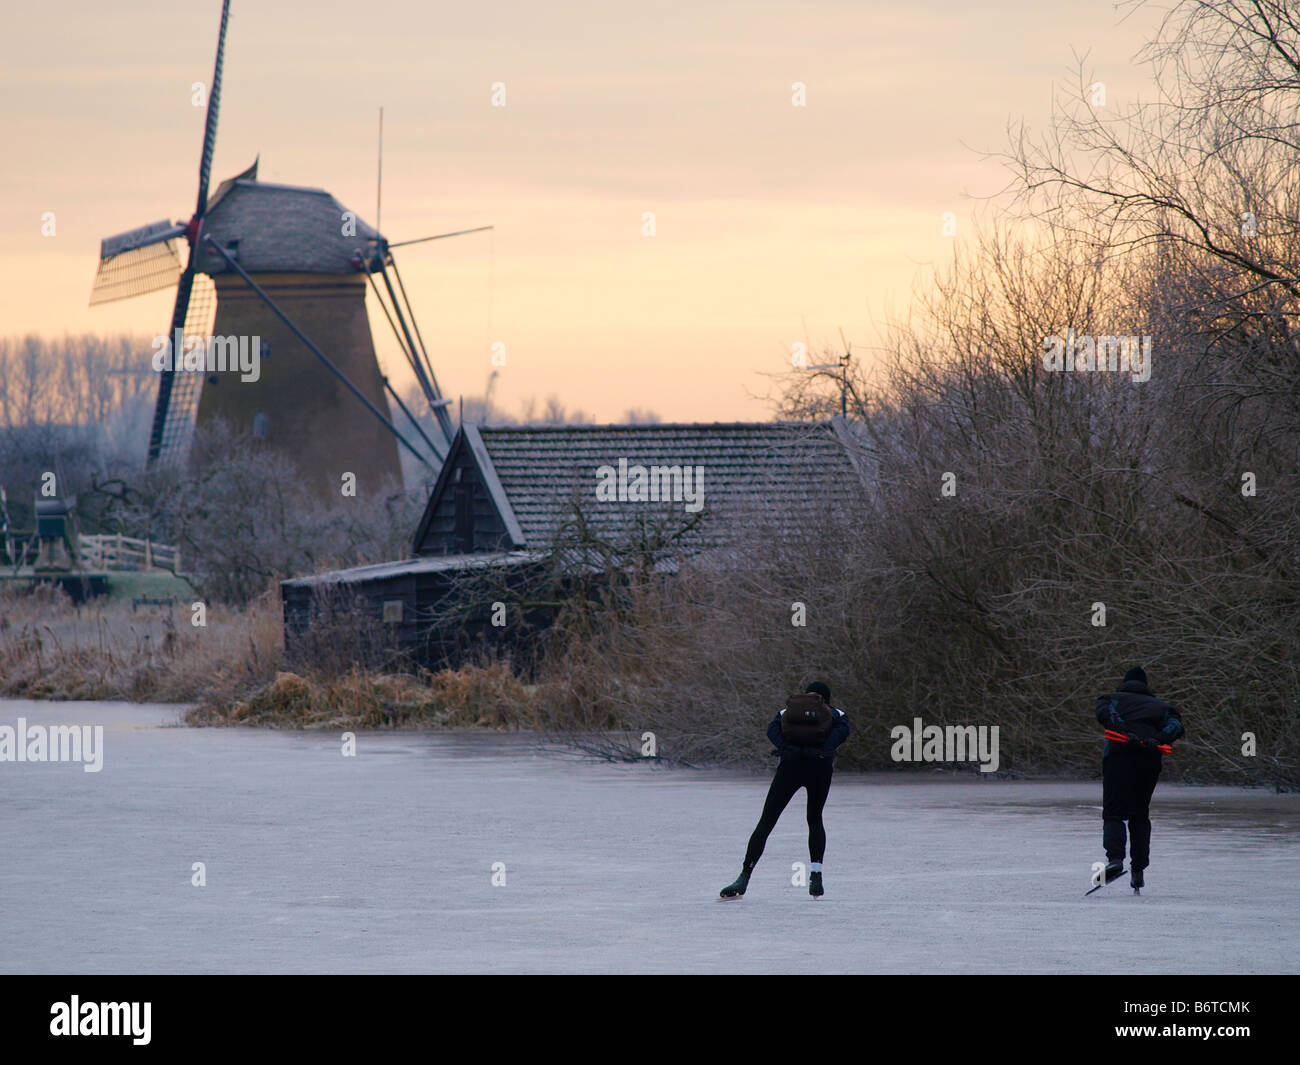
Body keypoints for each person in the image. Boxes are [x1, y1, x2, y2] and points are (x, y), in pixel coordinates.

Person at [720, 682, 851, 899]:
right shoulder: (837, 714)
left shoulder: (787, 711)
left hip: (790, 768)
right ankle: (816, 874)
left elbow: (772, 730)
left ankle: (744, 876)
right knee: (815, 820)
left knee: (766, 821)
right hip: (819, 770)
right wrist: (820, 751)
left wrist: (787, 748)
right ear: (827, 698)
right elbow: (840, 736)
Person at [1094, 666, 1184, 892]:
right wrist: (1157, 738)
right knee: (1139, 814)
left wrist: (1127, 734)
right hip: (1148, 761)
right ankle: (1138, 870)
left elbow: (1105, 714)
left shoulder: (1111, 698)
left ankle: (1115, 860)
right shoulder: (1163, 707)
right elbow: (1176, 726)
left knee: (1113, 812)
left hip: (1118, 758)